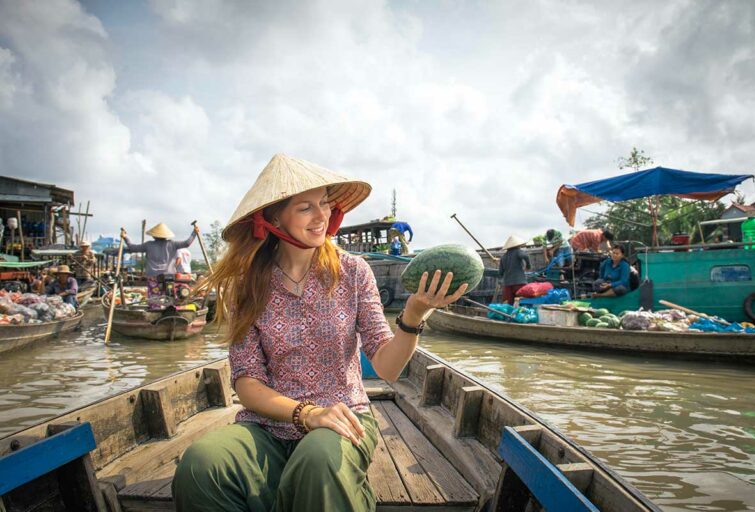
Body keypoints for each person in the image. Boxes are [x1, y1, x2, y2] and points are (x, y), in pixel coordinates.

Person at [172, 153, 469, 512]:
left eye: (325, 204)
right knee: (201, 465)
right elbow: (247, 382)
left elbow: (388, 368)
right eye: (305, 208)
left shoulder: (353, 272)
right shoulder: (247, 285)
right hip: (267, 428)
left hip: (342, 421)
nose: (321, 216)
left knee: (318, 460)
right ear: (274, 218)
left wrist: (414, 315)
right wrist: (306, 414)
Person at [121, 223, 198, 300]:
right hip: (169, 276)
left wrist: (125, 237)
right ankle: (169, 305)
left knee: (155, 299)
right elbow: (187, 243)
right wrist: (194, 233)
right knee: (169, 296)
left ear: (154, 236)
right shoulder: (172, 244)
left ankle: (156, 306)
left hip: (153, 277)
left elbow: (132, 248)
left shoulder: (148, 245)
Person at [497, 234, 530, 303]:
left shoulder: (503, 257)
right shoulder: (518, 251)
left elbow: (500, 273)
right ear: (517, 245)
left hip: (508, 285)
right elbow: (525, 256)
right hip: (519, 283)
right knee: (521, 303)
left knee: (508, 305)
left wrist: (500, 281)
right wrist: (528, 266)